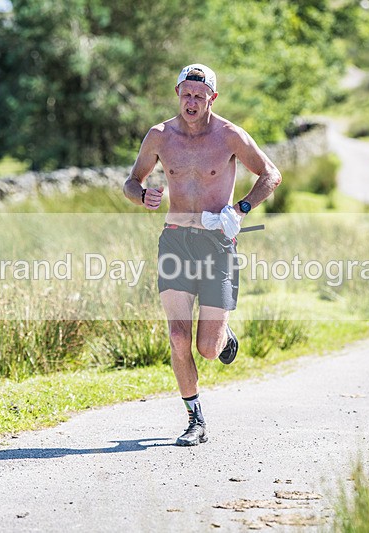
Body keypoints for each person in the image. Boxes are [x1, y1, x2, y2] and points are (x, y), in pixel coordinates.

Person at [123, 64, 282, 446]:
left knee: (207, 349)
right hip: (176, 240)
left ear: (212, 97)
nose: (191, 102)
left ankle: (223, 338)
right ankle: (195, 419)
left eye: (199, 95)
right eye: (185, 94)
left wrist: (239, 209)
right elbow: (131, 181)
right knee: (178, 336)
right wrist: (142, 195)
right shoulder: (160, 136)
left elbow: (270, 174)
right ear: (177, 92)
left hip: (216, 245)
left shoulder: (229, 136)